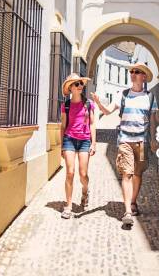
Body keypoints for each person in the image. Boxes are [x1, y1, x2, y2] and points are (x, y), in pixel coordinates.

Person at [92, 63, 157, 227]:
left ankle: (133, 201)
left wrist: (155, 139)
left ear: (143, 77)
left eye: (137, 72)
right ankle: (128, 210)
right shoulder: (122, 94)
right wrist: (99, 104)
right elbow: (107, 111)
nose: (133, 74)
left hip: (142, 141)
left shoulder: (150, 97)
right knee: (126, 174)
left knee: (138, 173)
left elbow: (154, 121)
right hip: (125, 140)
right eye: (132, 71)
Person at [60, 73, 96, 219]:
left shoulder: (88, 104)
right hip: (69, 139)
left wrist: (93, 143)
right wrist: (61, 145)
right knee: (70, 172)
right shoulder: (66, 106)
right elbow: (63, 126)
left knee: (83, 174)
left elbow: (92, 124)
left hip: (84, 141)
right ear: (70, 88)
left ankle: (85, 191)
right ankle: (68, 206)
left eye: (81, 83)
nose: (80, 86)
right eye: (76, 84)